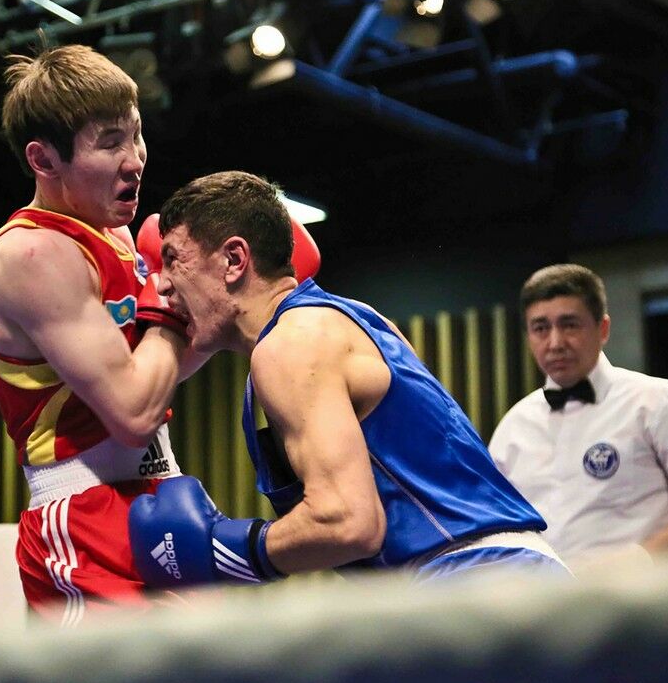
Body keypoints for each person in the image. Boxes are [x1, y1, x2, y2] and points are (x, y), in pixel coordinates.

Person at [127, 171, 567, 589]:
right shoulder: (349, 317)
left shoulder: (289, 344)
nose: (162, 285)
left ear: (234, 260)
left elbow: (348, 523)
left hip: (475, 574)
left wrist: (224, 549)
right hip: (501, 572)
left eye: (173, 260)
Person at [0, 43, 199, 625]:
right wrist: (170, 304)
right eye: (110, 142)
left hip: (161, 494)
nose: (135, 159)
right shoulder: (32, 254)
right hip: (81, 513)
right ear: (43, 159)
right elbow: (132, 412)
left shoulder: (116, 239)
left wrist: (229, 311)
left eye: (137, 134)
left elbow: (154, 369)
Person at [488, 264, 668, 565]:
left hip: (651, 591)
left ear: (603, 329)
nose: (555, 343)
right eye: (541, 328)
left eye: (570, 325)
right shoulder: (512, 428)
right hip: (548, 593)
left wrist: (636, 561)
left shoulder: (660, 402)